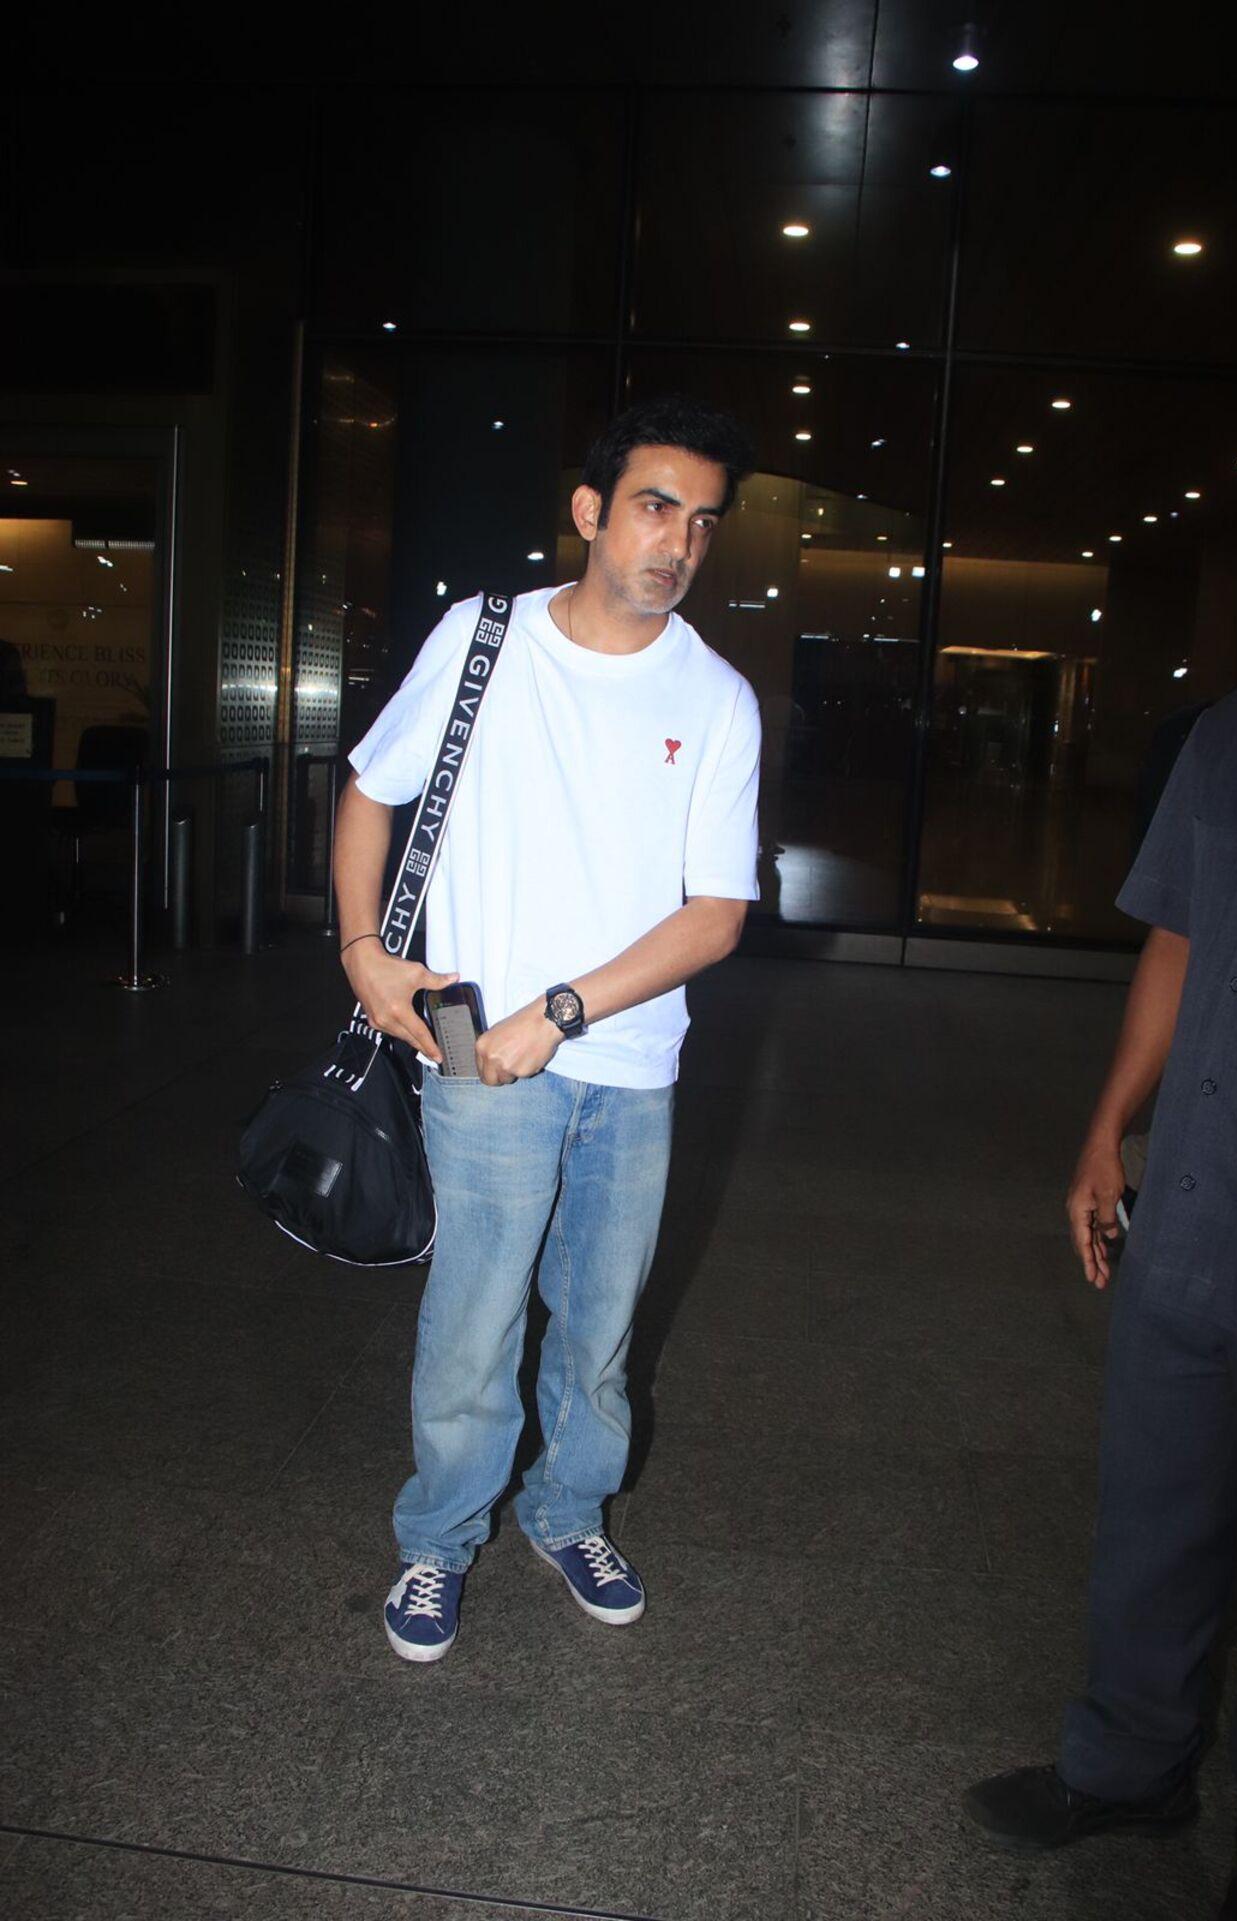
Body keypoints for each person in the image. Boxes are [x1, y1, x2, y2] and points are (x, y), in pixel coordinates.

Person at [332, 396, 761, 1664]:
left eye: (700, 521)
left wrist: (561, 1010)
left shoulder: (717, 697)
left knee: (600, 1319)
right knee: (473, 1315)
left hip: (626, 1063)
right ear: (589, 511)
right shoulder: (485, 641)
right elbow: (370, 787)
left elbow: (718, 913)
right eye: (651, 505)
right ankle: (438, 1536)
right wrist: (364, 954)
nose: (676, 542)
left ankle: (567, 1508)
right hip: (479, 1059)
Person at [962, 491, 1237, 1918]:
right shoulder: (1236, 733)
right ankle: (1134, 1762)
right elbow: (1174, 937)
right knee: (1155, 1509)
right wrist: (1108, 1134)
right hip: (1199, 1211)